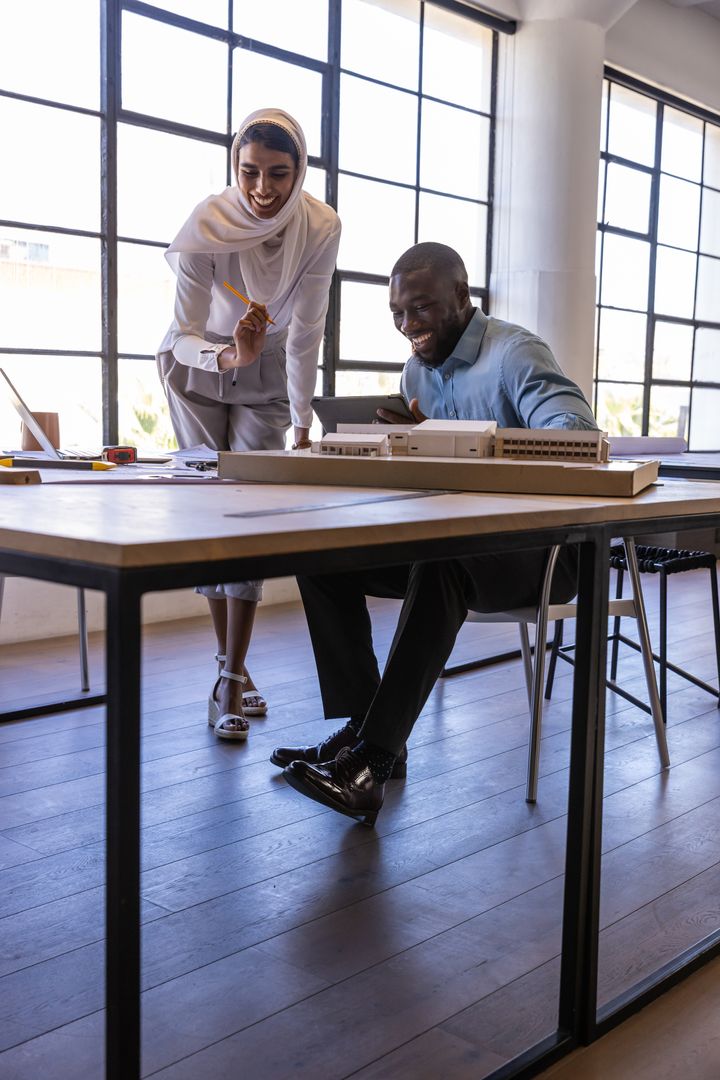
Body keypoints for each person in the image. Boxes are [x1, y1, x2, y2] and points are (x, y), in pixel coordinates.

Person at [272, 241, 598, 823]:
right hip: (461, 544)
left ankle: (371, 758)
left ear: (462, 297)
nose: (407, 326)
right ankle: (366, 731)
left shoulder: (516, 353)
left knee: (445, 560)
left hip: (547, 551)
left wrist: (464, 440)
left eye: (419, 309)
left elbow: (574, 438)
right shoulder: (416, 370)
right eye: (397, 313)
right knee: (321, 555)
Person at [157, 108, 341, 740]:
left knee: (251, 513)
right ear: (234, 167)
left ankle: (231, 670)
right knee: (213, 509)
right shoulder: (206, 225)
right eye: (250, 172)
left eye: (279, 174)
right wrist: (228, 353)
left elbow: (307, 331)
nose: (263, 189)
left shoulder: (320, 225)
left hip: (268, 362)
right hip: (200, 361)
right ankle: (230, 668)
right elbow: (183, 334)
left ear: (301, 172)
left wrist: (300, 422)